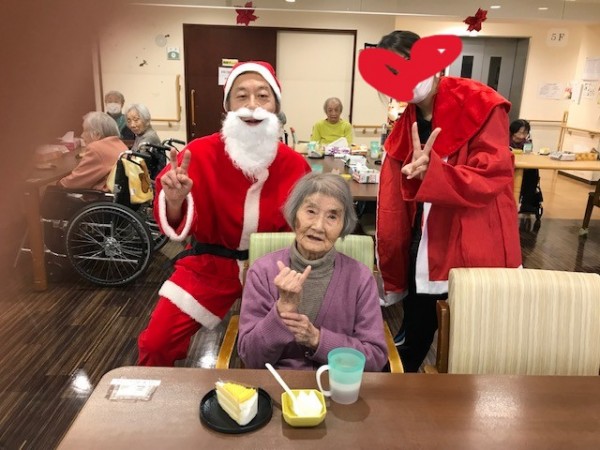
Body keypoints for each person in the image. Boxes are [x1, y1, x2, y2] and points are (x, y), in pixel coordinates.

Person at [137, 61, 311, 366]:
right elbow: (174, 219)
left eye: (263, 96)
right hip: (209, 265)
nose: (252, 106)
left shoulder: (295, 164)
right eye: (242, 96)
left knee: (285, 349)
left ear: (276, 106)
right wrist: (175, 200)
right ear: (228, 106)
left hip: (275, 268)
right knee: (156, 343)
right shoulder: (198, 153)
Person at [370, 31, 522, 372]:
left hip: (472, 239)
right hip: (422, 240)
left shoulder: (480, 103)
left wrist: (436, 175)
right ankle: (401, 395)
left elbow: (493, 175)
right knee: (416, 333)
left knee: (474, 342)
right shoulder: (406, 121)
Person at [238, 173, 388, 371]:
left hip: (337, 382)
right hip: (277, 383)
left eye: (332, 216)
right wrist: (281, 311)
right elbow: (251, 357)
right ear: (295, 215)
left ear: (343, 226)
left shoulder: (360, 278)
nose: (318, 226)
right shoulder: (262, 271)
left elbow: (375, 358)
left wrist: (317, 339)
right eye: (311, 211)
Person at [58, 111, 127, 190]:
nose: (82, 135)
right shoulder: (120, 144)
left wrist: (59, 184)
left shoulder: (96, 148)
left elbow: (74, 181)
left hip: (102, 195)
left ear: (97, 134)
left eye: (84, 131)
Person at [510, 119, 542, 216]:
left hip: (523, 167)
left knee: (533, 170)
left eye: (525, 133)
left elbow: (528, 156)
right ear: (513, 131)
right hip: (509, 167)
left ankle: (527, 202)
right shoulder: (504, 140)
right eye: (520, 132)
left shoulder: (527, 142)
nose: (522, 136)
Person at [126, 103, 163, 178]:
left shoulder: (149, 138)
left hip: (150, 181)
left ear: (147, 120)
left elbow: (138, 164)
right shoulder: (140, 135)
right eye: (129, 121)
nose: (132, 125)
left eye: (136, 120)